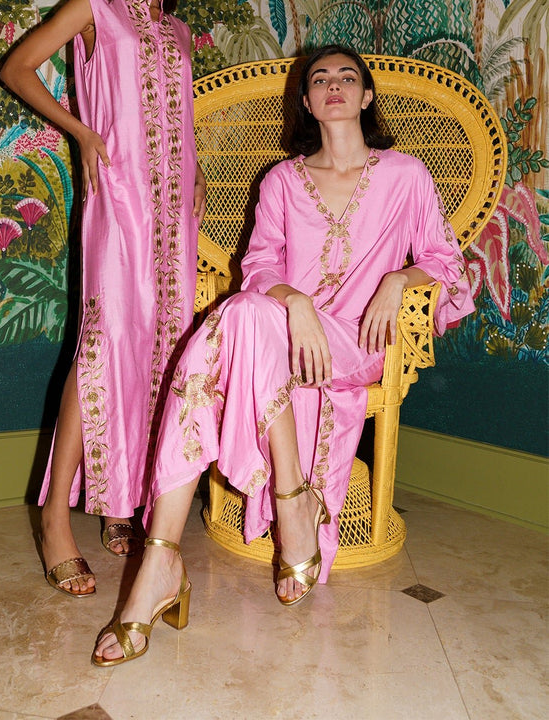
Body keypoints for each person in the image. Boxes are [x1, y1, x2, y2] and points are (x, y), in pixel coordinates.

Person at [92, 43, 474, 665]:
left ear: (366, 96)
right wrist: (296, 303)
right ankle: (242, 524)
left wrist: (396, 281)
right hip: (282, 336)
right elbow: (260, 268)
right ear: (307, 102)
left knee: (234, 327)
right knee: (243, 317)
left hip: (355, 342)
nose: (334, 85)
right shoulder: (282, 181)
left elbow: (444, 261)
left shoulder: (406, 176)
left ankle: (167, 562)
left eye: (347, 77)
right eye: (320, 79)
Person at [0, 0, 206, 596]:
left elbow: (178, 117)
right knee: (104, 343)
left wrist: (196, 173)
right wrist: (81, 133)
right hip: (118, 198)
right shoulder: (93, 7)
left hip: (175, 209)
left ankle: (123, 500)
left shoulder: (179, 30)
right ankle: (54, 519)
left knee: (161, 347)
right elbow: (18, 68)